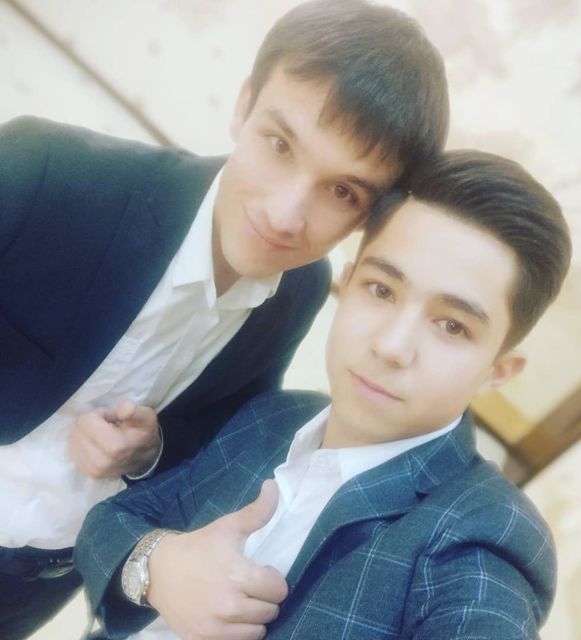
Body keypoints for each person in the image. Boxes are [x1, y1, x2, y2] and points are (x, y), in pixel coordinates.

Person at [0, 1, 450, 637]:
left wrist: (151, 450)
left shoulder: (299, 291)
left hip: (36, 581)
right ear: (243, 106)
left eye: (342, 191)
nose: (285, 215)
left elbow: (215, 439)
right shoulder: (48, 168)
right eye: (279, 144)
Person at [75, 149, 572, 640]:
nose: (391, 346)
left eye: (452, 326)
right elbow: (113, 520)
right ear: (347, 283)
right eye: (381, 290)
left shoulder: (482, 537)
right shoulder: (275, 416)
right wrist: (157, 567)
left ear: (497, 372)